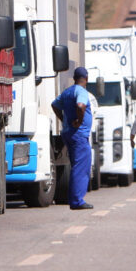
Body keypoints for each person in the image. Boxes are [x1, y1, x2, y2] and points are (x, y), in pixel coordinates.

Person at [51, 67, 94, 210]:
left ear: (74, 78)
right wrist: (79, 121)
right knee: (81, 167)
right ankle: (77, 201)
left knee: (76, 165)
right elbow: (81, 106)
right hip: (79, 134)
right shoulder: (81, 91)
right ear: (86, 79)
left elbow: (54, 105)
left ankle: (74, 199)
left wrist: (63, 119)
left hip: (68, 133)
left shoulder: (68, 91)